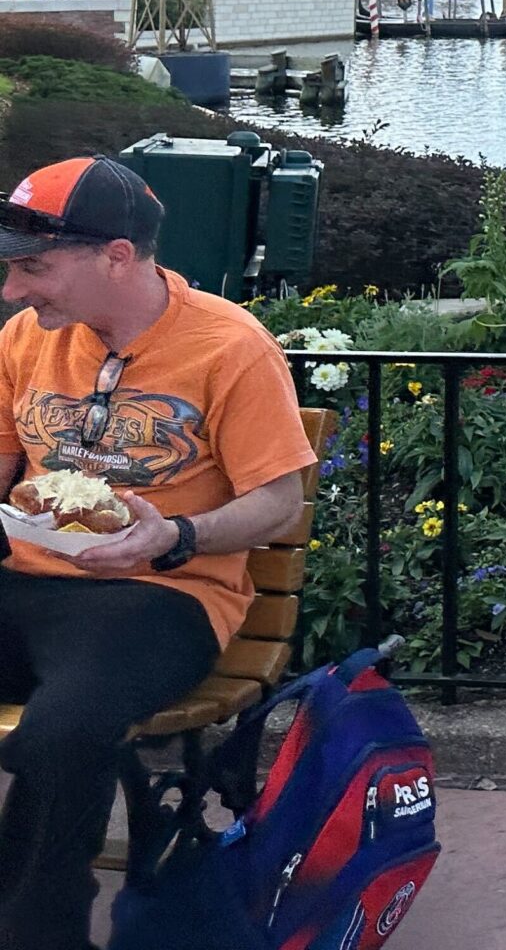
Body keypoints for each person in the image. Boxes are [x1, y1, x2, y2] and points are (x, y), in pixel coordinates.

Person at [0, 157, 316, 950]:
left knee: (63, 733)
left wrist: (177, 535)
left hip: (161, 593)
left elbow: (278, 501)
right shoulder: (23, 340)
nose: (12, 289)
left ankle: (39, 934)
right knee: (61, 728)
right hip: (23, 580)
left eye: (33, 267)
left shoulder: (230, 345)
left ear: (116, 255)